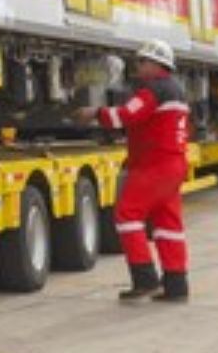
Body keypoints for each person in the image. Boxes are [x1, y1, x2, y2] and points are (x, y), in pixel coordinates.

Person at [77, 40, 192, 303]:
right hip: (173, 164)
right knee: (168, 225)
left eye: (141, 61)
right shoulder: (176, 90)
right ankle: (176, 285)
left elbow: (127, 115)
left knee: (127, 215)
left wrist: (96, 113)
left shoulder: (154, 89)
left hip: (154, 165)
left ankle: (145, 280)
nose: (137, 67)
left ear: (155, 64)